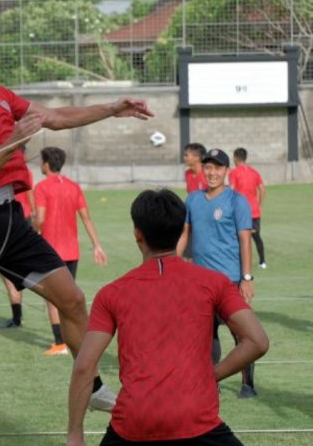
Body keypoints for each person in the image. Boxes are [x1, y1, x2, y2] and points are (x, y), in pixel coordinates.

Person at [0, 30, 154, 445]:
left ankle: (92, 389)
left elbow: (55, 117)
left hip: (10, 220)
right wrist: (17, 137)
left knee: (73, 300)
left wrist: (113, 107)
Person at [67, 189, 268, 446]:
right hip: (197, 421)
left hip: (133, 424)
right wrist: (213, 374)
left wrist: (75, 434)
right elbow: (257, 341)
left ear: (137, 234)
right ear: (179, 232)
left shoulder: (112, 293)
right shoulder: (214, 283)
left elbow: (84, 366)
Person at [176, 148, 258, 398]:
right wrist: (169, 262)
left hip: (230, 280)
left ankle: (247, 384)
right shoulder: (192, 199)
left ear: (226, 171)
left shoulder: (237, 201)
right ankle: (213, 381)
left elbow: (245, 241)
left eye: (217, 168)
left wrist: (246, 278)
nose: (212, 173)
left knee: (242, 335)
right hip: (199, 281)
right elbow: (185, 234)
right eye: (208, 167)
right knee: (206, 334)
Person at [33, 147, 107, 356]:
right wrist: (97, 245)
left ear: (46, 164)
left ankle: (60, 343)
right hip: (72, 251)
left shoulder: (42, 188)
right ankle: (75, 340)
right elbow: (86, 218)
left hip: (50, 252)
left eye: (41, 161)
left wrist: (31, 228)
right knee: (68, 299)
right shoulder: (74, 187)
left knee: (52, 298)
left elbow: (40, 219)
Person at [0, 150, 34, 329]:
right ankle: (17, 317)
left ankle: (17, 318)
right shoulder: (25, 170)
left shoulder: (6, 169)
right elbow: (31, 198)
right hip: (23, 220)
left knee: (8, 275)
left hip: (11, 220)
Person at [230, 147, 266, 269]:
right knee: (256, 237)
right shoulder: (254, 172)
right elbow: (261, 189)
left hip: (240, 212)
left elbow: (232, 190)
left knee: (239, 239)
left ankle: (240, 264)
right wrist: (259, 205)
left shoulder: (234, 173)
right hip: (254, 211)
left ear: (235, 157)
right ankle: (262, 262)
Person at [181, 142, 207, 261]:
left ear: (197, 158)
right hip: (191, 218)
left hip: (205, 219)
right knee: (187, 255)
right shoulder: (187, 174)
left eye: (187, 155)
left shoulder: (208, 174)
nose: (184, 157)